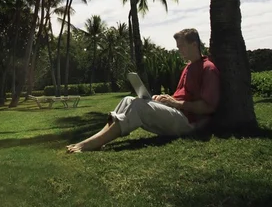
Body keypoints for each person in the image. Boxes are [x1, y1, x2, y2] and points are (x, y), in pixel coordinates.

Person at [66, 28, 220, 153]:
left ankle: (92, 143)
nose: (179, 50)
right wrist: (167, 99)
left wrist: (176, 103)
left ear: (194, 44)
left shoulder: (208, 69)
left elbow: (208, 107)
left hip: (188, 123)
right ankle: (97, 139)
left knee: (138, 106)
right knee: (127, 100)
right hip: (177, 113)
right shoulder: (188, 67)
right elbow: (182, 96)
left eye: (182, 46)